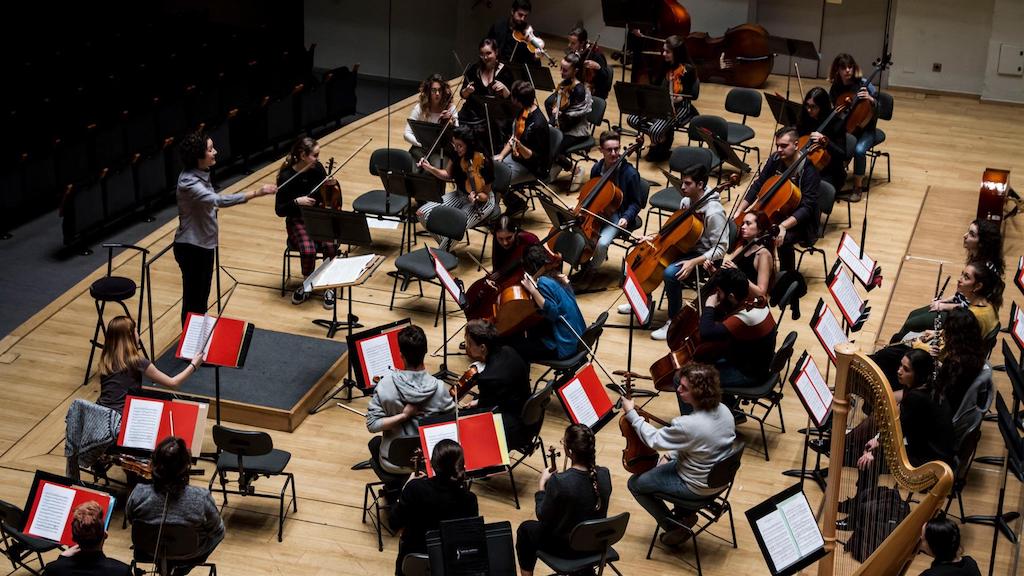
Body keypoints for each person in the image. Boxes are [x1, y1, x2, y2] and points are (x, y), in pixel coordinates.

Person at [623, 363, 736, 547]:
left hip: (696, 485)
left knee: (635, 484)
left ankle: (674, 527)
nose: (678, 389)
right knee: (666, 464)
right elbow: (694, 440)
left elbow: (654, 439)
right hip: (719, 479)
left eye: (684, 388)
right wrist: (670, 455)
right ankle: (685, 515)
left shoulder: (688, 424)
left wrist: (632, 414)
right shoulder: (724, 410)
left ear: (699, 393)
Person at [843, 349, 955, 530]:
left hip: (930, 461)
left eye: (906, 369)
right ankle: (859, 504)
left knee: (868, 463)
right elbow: (900, 426)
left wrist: (874, 451)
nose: (899, 371)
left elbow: (899, 431)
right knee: (870, 453)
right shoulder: (929, 386)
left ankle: (857, 516)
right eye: (901, 366)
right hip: (928, 448)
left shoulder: (917, 398)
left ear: (918, 374)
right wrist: (878, 440)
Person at [174, 130, 276, 326]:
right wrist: (256, 192)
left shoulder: (201, 171)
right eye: (211, 149)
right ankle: (189, 346)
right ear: (198, 156)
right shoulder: (188, 182)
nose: (216, 152)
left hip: (204, 245)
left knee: (202, 299)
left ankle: (197, 342)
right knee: (193, 301)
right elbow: (217, 200)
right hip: (192, 248)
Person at [642, 164, 729, 340]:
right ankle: (644, 300)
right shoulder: (686, 201)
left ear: (701, 184)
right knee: (644, 255)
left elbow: (721, 249)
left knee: (670, 273)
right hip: (686, 248)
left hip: (705, 258)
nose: (682, 187)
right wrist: (654, 238)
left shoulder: (714, 212)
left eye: (687, 184)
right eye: (682, 183)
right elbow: (678, 230)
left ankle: (673, 323)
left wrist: (693, 262)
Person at [516, 424, 612, 576]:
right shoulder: (604, 474)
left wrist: (541, 486)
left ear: (570, 451)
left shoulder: (560, 482)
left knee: (525, 529)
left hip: (568, 550)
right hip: (595, 544)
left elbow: (542, 515)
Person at [365, 325, 456, 475]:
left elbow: (372, 425)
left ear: (401, 355)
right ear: (425, 352)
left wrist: (403, 416)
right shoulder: (440, 388)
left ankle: (394, 490)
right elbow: (451, 424)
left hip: (394, 462)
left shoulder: (385, 385)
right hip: (428, 460)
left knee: (374, 443)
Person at [126, 436, 224, 575]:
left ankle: (164, 565)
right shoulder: (201, 497)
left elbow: (131, 519)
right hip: (191, 554)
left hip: (149, 550)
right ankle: (181, 569)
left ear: (153, 465)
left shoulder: (138, 493)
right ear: (186, 467)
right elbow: (218, 531)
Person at [736, 126, 820, 273]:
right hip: (776, 211)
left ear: (796, 145)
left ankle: (788, 277)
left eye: (784, 146)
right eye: (777, 145)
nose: (779, 149)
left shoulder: (809, 171)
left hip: (800, 221)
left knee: (781, 238)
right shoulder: (775, 159)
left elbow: (807, 208)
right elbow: (758, 185)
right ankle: (747, 270)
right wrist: (740, 210)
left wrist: (783, 226)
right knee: (743, 226)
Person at [390, 439, 478, 576]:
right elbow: (469, 539)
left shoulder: (414, 489)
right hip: (450, 563)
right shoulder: (469, 499)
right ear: (461, 467)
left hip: (413, 562)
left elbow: (393, 523)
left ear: (432, 464)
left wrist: (406, 488)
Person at [871, 308, 986, 411]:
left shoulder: (957, 364)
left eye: (946, 331)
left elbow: (939, 392)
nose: (943, 334)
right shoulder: (972, 350)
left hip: (934, 404)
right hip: (935, 390)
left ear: (955, 336)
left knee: (897, 371)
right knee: (895, 356)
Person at [693, 268, 777, 406]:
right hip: (758, 364)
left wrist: (709, 306)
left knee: (685, 379)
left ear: (731, 297)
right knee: (708, 361)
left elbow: (706, 332)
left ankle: (693, 425)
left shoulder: (744, 318)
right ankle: (731, 410)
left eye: (719, 292)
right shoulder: (758, 304)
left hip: (749, 375)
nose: (717, 296)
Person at [274, 136, 338, 308]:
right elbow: (279, 210)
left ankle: (328, 286)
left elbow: (328, 199)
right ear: (303, 155)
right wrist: (297, 202)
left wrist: (331, 187)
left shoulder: (317, 170)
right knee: (309, 250)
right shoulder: (286, 176)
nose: (318, 159)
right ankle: (308, 284)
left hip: (317, 216)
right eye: (315, 155)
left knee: (331, 246)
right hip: (297, 220)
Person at [575, 130, 645, 279]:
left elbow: (636, 202)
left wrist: (626, 217)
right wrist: (580, 207)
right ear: (601, 150)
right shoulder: (596, 169)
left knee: (602, 243)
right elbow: (590, 192)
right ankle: (581, 261)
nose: (614, 153)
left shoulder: (630, 174)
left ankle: (591, 269)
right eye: (609, 150)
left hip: (618, 215)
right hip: (596, 211)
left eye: (617, 149)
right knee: (577, 233)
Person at [97, 316, 202, 414]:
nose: (138, 334)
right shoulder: (137, 362)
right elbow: (173, 383)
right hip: (120, 419)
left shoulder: (106, 360)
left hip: (101, 414)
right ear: (131, 336)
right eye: (136, 331)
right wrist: (194, 365)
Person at [416, 126, 498, 251]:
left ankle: (439, 258)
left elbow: (485, 195)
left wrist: (476, 197)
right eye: (454, 145)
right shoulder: (456, 154)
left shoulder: (484, 162)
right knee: (422, 213)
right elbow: (448, 175)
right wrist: (430, 168)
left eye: (459, 145)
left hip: (481, 204)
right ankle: (447, 251)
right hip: (459, 195)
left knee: (455, 228)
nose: (456, 148)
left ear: (469, 144)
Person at [626, 35, 699, 162]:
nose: (663, 54)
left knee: (655, 130)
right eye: (663, 50)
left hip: (680, 107)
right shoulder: (664, 65)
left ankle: (658, 142)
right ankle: (661, 137)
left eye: (667, 52)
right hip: (660, 104)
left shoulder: (688, 69)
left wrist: (678, 98)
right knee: (632, 119)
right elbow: (656, 85)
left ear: (677, 53)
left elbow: (689, 93)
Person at [892, 260, 1003, 343]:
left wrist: (919, 345)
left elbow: (950, 348)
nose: (959, 279)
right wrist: (938, 333)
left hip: (954, 359)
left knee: (900, 343)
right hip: (961, 344)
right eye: (962, 274)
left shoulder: (970, 317)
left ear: (978, 286)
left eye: (966, 277)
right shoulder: (988, 303)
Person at [462, 319, 531, 447]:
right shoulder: (509, 350)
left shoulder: (488, 378)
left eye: (470, 343)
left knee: (463, 421)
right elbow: (505, 390)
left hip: (513, 427)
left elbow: (485, 413)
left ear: (482, 347)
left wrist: (477, 404)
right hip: (526, 413)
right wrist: (479, 401)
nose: (467, 346)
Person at [512, 245, 586, 363]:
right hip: (580, 336)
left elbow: (553, 312)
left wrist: (533, 291)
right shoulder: (556, 275)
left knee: (517, 347)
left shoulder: (542, 282)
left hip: (567, 345)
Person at [828, 53, 878, 196]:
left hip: (866, 130)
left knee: (859, 150)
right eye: (843, 68)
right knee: (832, 145)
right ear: (837, 70)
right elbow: (836, 112)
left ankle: (858, 187)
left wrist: (870, 99)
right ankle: (833, 180)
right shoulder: (835, 88)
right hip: (847, 128)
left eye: (850, 67)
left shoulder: (864, 85)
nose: (848, 71)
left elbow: (880, 108)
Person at [42, 500, 132, 576]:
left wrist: (62, 559)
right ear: (105, 535)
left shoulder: (52, 570)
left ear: (73, 537)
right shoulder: (122, 572)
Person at [704, 210, 776, 299]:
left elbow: (761, 293)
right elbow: (726, 275)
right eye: (743, 223)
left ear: (760, 229)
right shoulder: (742, 247)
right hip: (732, 295)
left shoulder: (763, 255)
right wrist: (713, 270)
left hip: (746, 303)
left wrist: (738, 273)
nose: (743, 227)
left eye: (748, 224)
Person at [545, 52, 592, 185]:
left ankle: (576, 170)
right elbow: (550, 102)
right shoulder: (564, 84)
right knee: (545, 140)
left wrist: (559, 118)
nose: (561, 71)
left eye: (565, 70)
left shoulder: (579, 90)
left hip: (576, 130)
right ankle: (554, 166)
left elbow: (575, 118)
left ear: (575, 70)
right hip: (563, 125)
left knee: (553, 147)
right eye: (561, 68)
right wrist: (551, 122)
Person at [458, 38, 514, 150]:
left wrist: (505, 90)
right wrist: (467, 91)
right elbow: (462, 95)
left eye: (489, 53)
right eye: (482, 54)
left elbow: (512, 100)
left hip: (495, 116)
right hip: (474, 114)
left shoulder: (506, 71)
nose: (485, 57)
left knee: (488, 130)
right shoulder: (474, 69)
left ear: (496, 52)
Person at [496, 80, 550, 195]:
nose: (511, 98)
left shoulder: (538, 124)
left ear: (519, 101)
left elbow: (536, 158)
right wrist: (501, 156)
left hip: (531, 167)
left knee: (497, 181)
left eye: (513, 97)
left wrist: (520, 146)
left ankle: (513, 203)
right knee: (487, 169)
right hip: (516, 157)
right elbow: (514, 137)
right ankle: (514, 203)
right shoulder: (523, 111)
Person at [796, 86, 848, 194]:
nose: (809, 110)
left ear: (822, 107)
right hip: (805, 166)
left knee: (809, 189)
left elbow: (843, 154)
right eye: (807, 106)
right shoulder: (806, 119)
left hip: (831, 172)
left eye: (813, 107)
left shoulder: (836, 123)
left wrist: (826, 142)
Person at [405, 73, 457, 163]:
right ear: (428, 92)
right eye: (433, 90)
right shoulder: (420, 108)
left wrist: (451, 123)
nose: (437, 94)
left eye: (440, 90)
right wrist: (421, 143)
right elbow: (407, 133)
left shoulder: (450, 108)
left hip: (442, 150)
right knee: (413, 166)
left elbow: (458, 135)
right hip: (422, 149)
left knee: (435, 167)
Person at [567, 24, 612, 99]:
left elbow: (605, 79)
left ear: (582, 43)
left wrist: (598, 67)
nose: (569, 45)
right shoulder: (574, 53)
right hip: (578, 87)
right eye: (569, 42)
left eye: (573, 43)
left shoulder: (596, 55)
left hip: (593, 91)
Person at [486, 0, 535, 66]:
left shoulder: (527, 32)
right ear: (512, 11)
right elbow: (487, 47)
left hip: (516, 69)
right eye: (520, 15)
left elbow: (530, 59)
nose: (523, 19)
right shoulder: (498, 26)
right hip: (496, 66)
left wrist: (536, 56)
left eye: (525, 16)